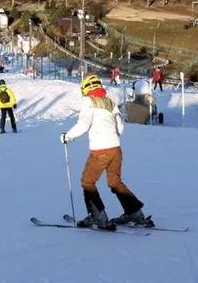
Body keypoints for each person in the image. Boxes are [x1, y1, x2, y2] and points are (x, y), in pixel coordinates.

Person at [60, 74, 148, 229]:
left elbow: (84, 124)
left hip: (101, 150)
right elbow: (120, 128)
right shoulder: (110, 102)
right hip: (116, 149)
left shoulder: (88, 101)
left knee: (87, 182)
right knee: (115, 182)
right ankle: (136, 215)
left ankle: (98, 217)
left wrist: (68, 136)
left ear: (86, 88)